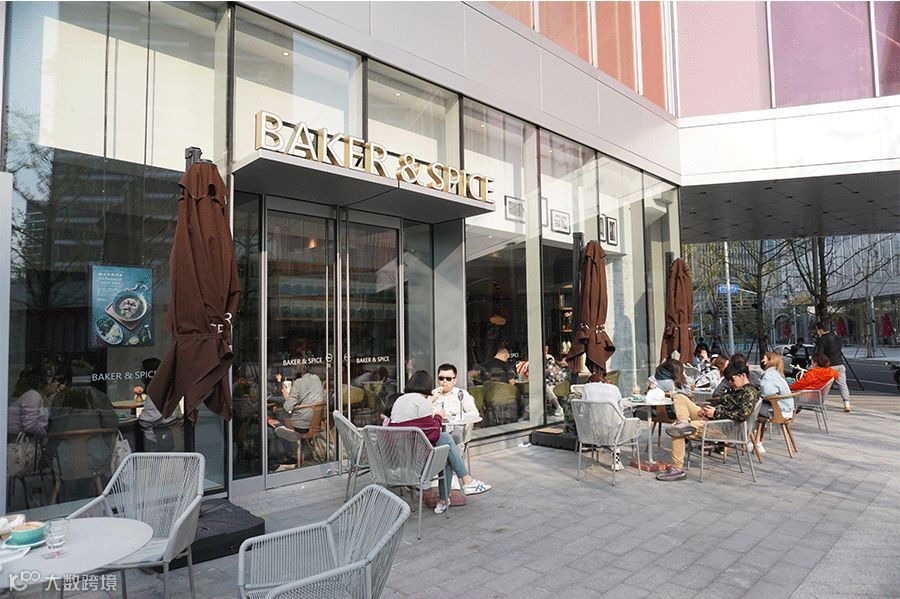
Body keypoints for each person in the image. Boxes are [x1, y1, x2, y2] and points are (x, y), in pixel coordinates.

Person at [390, 370, 491, 514]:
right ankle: (463, 483)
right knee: (446, 446)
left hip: (399, 455)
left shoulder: (400, 400)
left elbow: (418, 427)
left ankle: (451, 495)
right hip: (417, 460)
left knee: (445, 443)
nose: (444, 381)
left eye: (448, 378)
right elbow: (433, 433)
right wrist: (438, 416)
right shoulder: (422, 402)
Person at [657, 362, 760, 482]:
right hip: (714, 419)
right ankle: (684, 422)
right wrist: (707, 411)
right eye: (728, 380)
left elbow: (741, 415)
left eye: (732, 379)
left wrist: (715, 413)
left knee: (677, 430)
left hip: (721, 427)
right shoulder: (738, 390)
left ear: (743, 375)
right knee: (679, 397)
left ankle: (676, 468)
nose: (730, 382)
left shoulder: (749, 392)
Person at [581, 381, 631, 471]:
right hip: (613, 434)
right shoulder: (614, 389)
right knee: (620, 423)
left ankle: (605, 448)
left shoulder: (587, 389)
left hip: (593, 433)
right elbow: (620, 410)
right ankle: (616, 457)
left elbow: (583, 412)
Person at [137, 357, 182, 451]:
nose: (140, 375)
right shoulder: (168, 387)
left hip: (157, 437)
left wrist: (135, 421)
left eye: (142, 372)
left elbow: (147, 420)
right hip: (171, 431)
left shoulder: (156, 391)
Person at [755, 351, 794, 454]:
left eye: (764, 358)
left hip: (779, 412)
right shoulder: (778, 374)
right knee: (759, 410)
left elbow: (766, 393)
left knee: (753, 409)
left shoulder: (769, 375)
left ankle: (755, 442)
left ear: (770, 360)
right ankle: (758, 442)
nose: (762, 360)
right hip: (788, 411)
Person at [431, 364, 479, 444]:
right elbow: (425, 415)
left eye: (448, 379)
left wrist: (458, 417)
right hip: (437, 428)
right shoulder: (433, 394)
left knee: (456, 434)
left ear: (455, 380)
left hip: (456, 429)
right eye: (441, 378)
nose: (444, 381)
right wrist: (433, 399)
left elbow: (474, 413)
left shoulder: (461, 394)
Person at [814, 321, 851, 412]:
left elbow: (820, 354)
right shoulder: (837, 338)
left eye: (817, 330)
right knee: (843, 385)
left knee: (824, 386)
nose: (817, 332)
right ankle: (846, 403)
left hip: (829, 366)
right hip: (840, 364)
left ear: (821, 330)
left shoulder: (822, 340)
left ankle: (820, 403)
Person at [280, 363, 325, 434]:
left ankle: (290, 440)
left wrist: (286, 397)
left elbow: (287, 408)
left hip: (301, 425)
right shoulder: (316, 378)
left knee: (278, 417)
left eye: (294, 366)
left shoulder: (298, 382)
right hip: (316, 423)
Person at [8, 364, 51, 436]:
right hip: (15, 438)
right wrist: (44, 436)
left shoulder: (37, 396)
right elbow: (30, 425)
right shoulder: (33, 396)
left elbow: (43, 420)